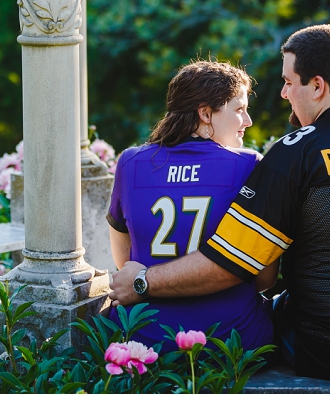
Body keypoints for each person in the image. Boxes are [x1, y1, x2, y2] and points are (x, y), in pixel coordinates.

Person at [109, 25, 330, 384]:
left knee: (273, 313)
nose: (283, 93)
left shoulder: (295, 152)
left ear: (318, 87)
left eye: (289, 82)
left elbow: (232, 265)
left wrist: (141, 282)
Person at [107, 60, 275, 352]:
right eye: (239, 110)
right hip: (232, 340)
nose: (247, 121)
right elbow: (264, 277)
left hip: (144, 338)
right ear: (205, 113)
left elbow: (125, 265)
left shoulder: (130, 161)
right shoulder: (250, 165)